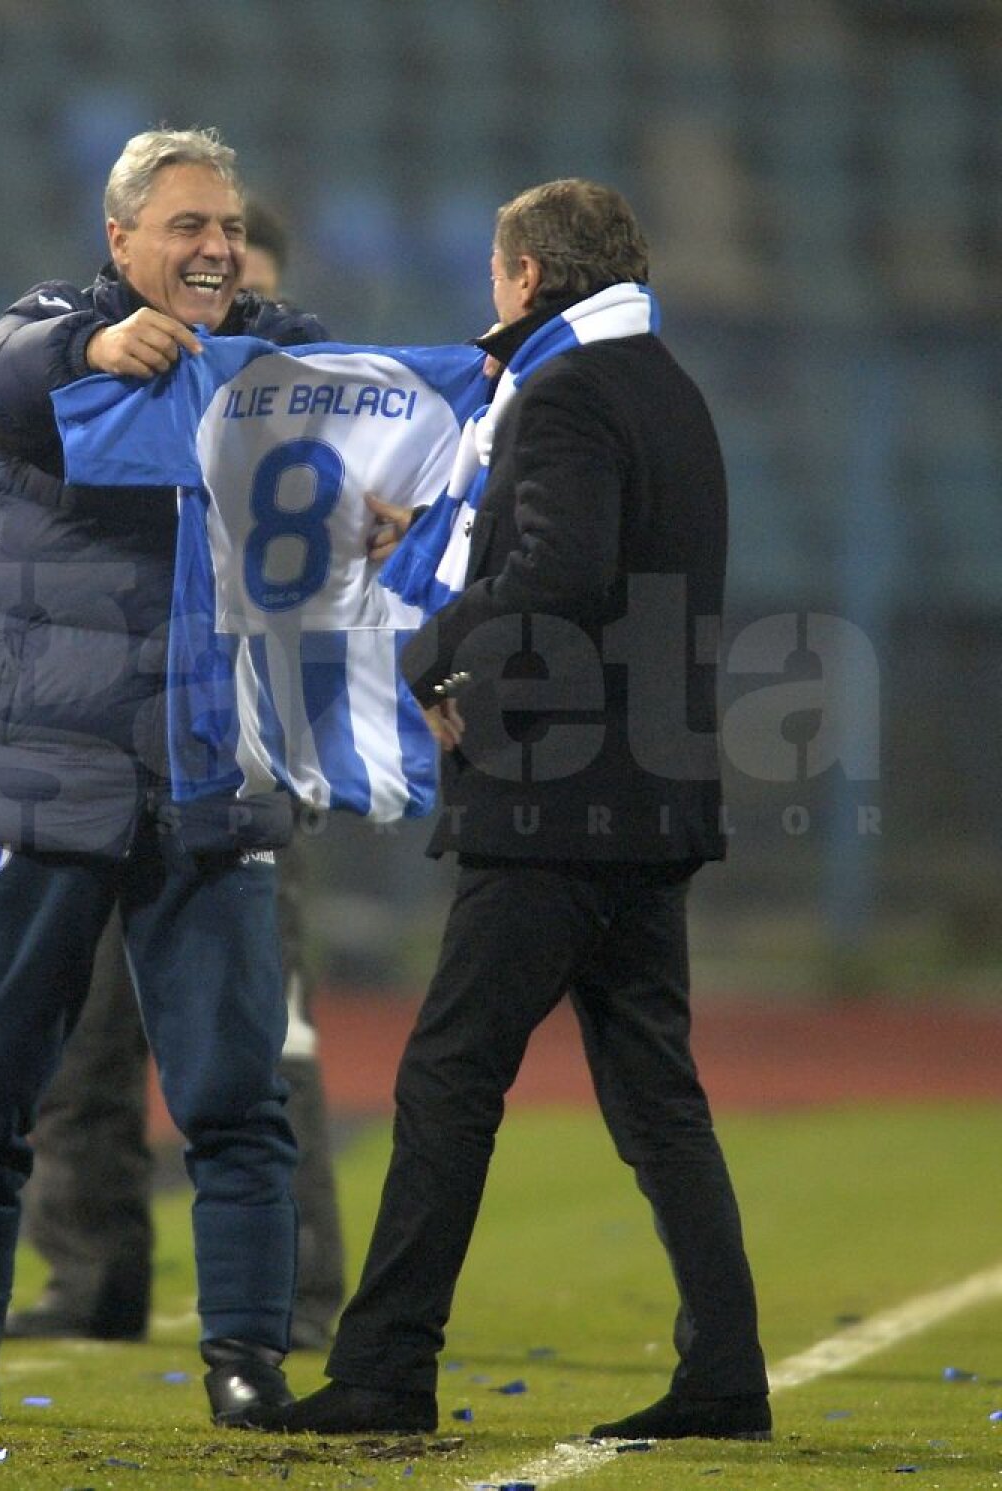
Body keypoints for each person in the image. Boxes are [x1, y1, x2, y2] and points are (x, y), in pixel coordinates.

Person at [242, 179, 771, 1441]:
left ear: (528, 276)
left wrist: (441, 660)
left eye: (497, 270)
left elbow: (564, 566)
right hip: (649, 795)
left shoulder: (567, 391)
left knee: (449, 1079)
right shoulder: (664, 387)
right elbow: (597, 555)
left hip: (554, 800)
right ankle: (725, 1376)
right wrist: (429, 538)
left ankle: (384, 1367)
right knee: (655, 1099)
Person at [0, 127, 327, 1427]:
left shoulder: (277, 351)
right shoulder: (53, 337)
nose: (216, 246)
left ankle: (246, 1357)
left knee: (234, 1093)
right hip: (46, 776)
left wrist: (373, 498)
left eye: (225, 225)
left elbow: (362, 437)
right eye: (186, 224)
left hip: (209, 775)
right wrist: (90, 349)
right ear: (119, 241)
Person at [3, 197, 345, 1355]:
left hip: (240, 770)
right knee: (85, 1034)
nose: (219, 279)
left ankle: (292, 1295)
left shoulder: (305, 423)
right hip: (108, 763)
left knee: (261, 1044)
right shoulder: (120, 391)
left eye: (240, 268)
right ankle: (91, 1276)